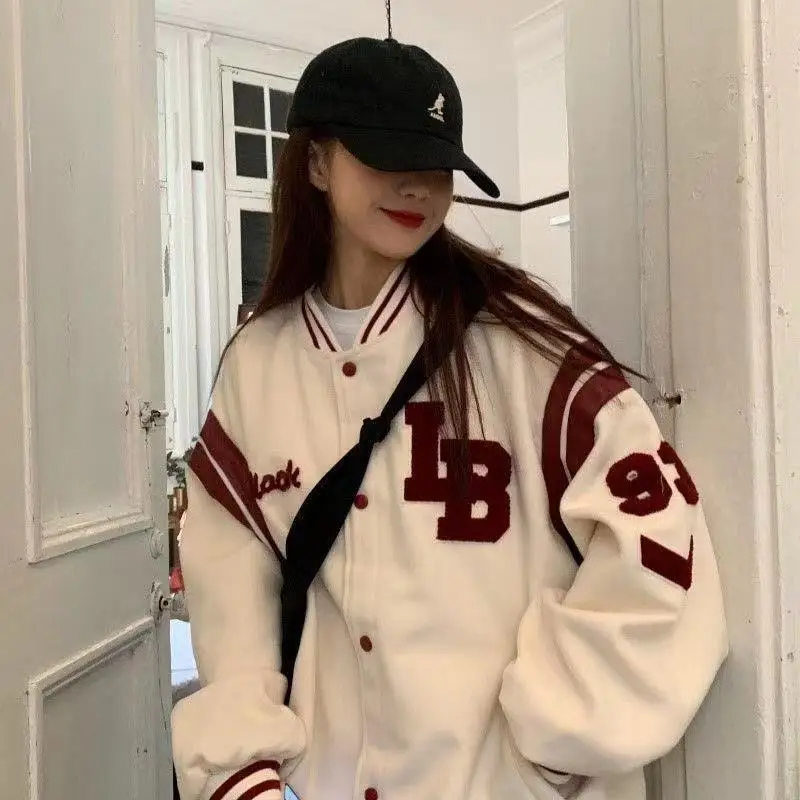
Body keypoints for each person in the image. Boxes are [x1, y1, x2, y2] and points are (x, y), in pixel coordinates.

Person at [171, 36, 727, 800]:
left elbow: (662, 545)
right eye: (387, 154)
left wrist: (554, 745)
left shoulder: (527, 348)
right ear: (317, 162)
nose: (418, 186)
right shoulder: (257, 364)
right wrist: (245, 771)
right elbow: (229, 582)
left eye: (436, 165)